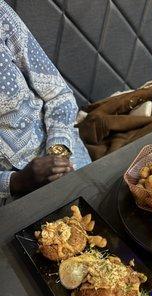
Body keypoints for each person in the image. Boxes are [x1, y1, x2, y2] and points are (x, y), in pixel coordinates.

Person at [0, 1, 91, 203]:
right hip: (8, 196)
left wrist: (58, 156)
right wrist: (16, 182)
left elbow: (57, 94)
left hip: (59, 149)